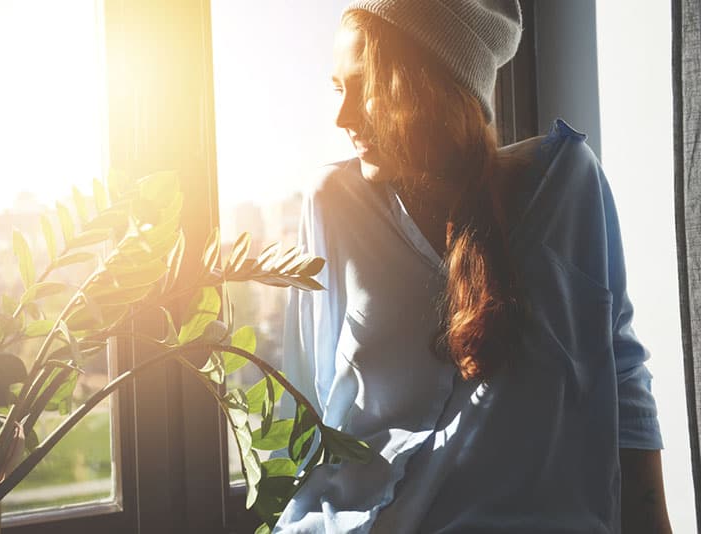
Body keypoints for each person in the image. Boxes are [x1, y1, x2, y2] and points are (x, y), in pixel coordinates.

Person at [275, 1, 672, 533]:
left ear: (431, 86)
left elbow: (621, 376)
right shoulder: (332, 205)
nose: (342, 118)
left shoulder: (566, 188)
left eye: (364, 87)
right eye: (336, 88)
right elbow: (305, 403)